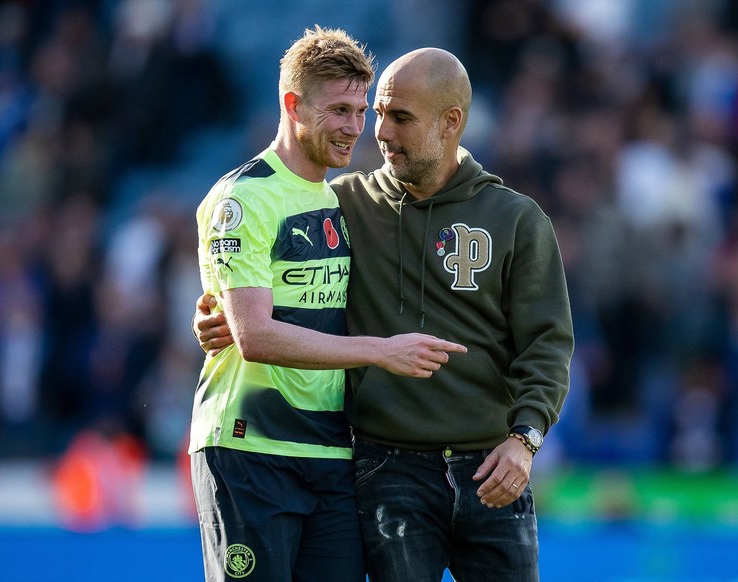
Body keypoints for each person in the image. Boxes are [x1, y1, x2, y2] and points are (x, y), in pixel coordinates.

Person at [195, 47, 573, 582]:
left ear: (451, 122)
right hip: (380, 466)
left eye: (398, 117)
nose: (378, 132)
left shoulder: (516, 218)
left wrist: (525, 438)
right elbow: (257, 283)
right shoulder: (343, 203)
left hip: (490, 467)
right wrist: (219, 313)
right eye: (375, 114)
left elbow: (549, 344)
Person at [189, 30, 466, 582]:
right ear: (292, 105)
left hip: (331, 455)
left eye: (361, 110)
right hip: (250, 446)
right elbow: (256, 337)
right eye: (339, 109)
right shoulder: (244, 198)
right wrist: (380, 352)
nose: (354, 127)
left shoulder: (343, 200)